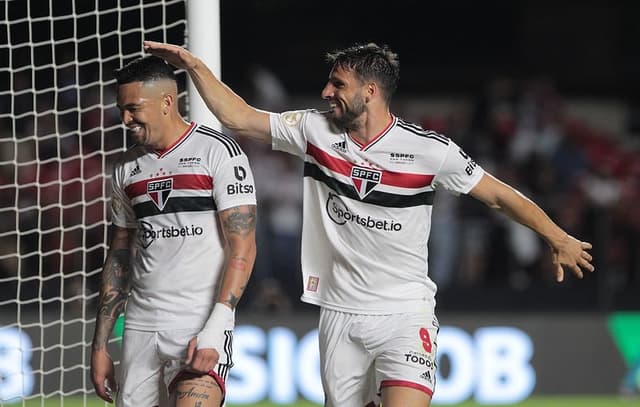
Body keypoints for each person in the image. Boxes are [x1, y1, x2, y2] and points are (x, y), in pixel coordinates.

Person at [144, 40, 595, 407]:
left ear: (370, 92)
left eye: (337, 83)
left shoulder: (429, 150)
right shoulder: (314, 131)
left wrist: (558, 237)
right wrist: (194, 66)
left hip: (404, 313)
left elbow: (497, 194)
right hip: (339, 315)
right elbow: (239, 116)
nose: (325, 92)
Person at [90, 55, 257, 407]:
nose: (125, 119)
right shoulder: (126, 167)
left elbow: (243, 246)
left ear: (167, 102)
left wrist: (217, 326)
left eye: (133, 108)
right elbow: (119, 254)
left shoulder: (218, 152)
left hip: (197, 324)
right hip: (139, 327)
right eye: (121, 109)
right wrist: (101, 344)